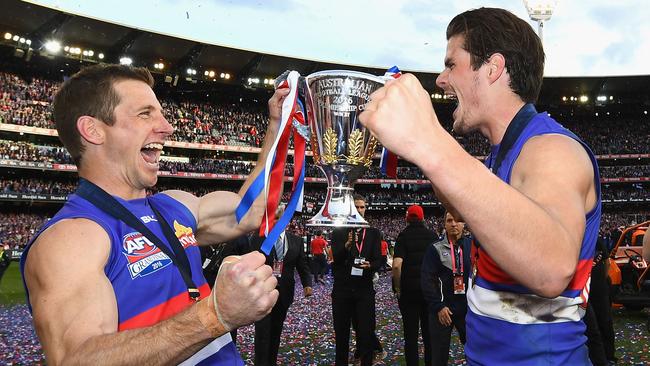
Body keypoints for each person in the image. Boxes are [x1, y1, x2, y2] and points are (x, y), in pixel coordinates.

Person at [359, 7, 601, 364]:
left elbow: (551, 269)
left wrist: (430, 141)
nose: (441, 79)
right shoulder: (498, 158)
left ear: (492, 68)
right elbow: (465, 196)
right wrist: (418, 148)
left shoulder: (552, 150)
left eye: (451, 64)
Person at [19, 64, 287, 365]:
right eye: (145, 114)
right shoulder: (72, 238)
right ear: (92, 130)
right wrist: (215, 315)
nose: (167, 126)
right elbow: (78, 358)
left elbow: (250, 211)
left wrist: (277, 124)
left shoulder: (173, 205)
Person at [249, 205, 313, 366]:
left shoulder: (296, 241)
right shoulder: (258, 239)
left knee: (276, 331)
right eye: (275, 218)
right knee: (262, 332)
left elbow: (302, 265)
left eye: (281, 218)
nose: (278, 221)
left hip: (284, 293)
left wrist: (307, 284)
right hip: (263, 292)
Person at [330, 194, 381, 366]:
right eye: (357, 207)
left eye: (362, 207)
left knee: (365, 333)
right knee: (342, 334)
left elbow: (379, 260)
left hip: (364, 290)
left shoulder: (373, 233)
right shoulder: (338, 232)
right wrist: (346, 247)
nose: (360, 210)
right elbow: (335, 260)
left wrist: (370, 266)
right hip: (342, 290)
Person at [421, 211, 471, 366]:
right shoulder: (434, 249)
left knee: (474, 352)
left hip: (468, 310)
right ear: (444, 224)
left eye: (457, 220)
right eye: (449, 220)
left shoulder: (472, 246)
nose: (454, 224)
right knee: (439, 357)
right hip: (443, 311)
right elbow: (427, 280)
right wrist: (438, 306)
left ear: (464, 223)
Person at [392, 204, 436, 366]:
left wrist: (398, 287)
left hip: (409, 293)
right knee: (428, 335)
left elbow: (396, 265)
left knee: (410, 337)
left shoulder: (403, 236)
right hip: (428, 292)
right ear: (423, 218)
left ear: (407, 218)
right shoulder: (432, 236)